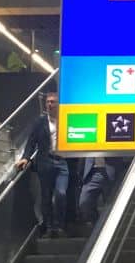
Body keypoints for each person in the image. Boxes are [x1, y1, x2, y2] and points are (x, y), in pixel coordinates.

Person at [15, 91, 68, 237]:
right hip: (45, 161)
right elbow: (31, 141)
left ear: (59, 104)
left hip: (62, 162)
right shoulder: (40, 122)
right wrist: (26, 157)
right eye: (48, 102)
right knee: (46, 195)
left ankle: (60, 225)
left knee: (61, 193)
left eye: (53, 102)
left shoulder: (66, 120)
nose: (50, 105)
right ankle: (49, 226)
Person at [78, 156, 120, 229]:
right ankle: (97, 225)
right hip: (91, 173)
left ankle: (110, 227)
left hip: (109, 170)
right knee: (84, 202)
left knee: (110, 204)